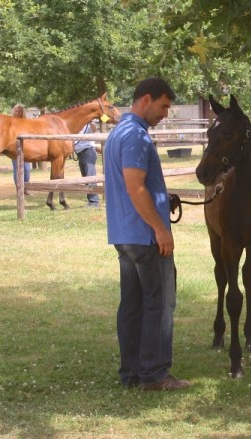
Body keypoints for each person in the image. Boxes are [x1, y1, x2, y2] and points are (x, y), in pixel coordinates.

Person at [103, 77, 190, 391]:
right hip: (145, 236)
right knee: (160, 303)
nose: (165, 114)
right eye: (164, 106)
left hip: (123, 234)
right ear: (147, 99)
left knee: (132, 305)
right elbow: (134, 186)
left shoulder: (117, 134)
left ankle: (132, 373)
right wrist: (158, 228)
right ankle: (154, 374)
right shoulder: (137, 137)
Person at [74, 122, 101, 207]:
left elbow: (94, 129)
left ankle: (94, 201)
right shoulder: (77, 126)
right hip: (81, 153)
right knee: (86, 178)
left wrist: (90, 122)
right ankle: (92, 200)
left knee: (90, 177)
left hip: (87, 152)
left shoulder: (88, 125)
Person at [11, 104, 32, 196]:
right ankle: (19, 189)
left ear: (22, 112)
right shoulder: (11, 122)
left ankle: (26, 189)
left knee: (27, 169)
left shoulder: (26, 122)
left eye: (19, 111)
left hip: (26, 148)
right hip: (14, 148)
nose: (17, 113)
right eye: (16, 111)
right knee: (17, 169)